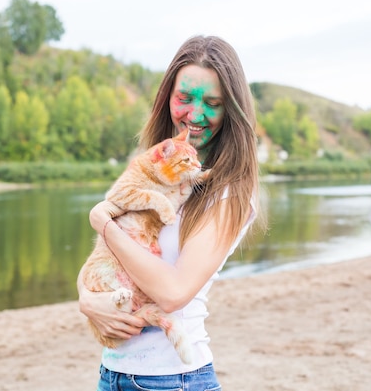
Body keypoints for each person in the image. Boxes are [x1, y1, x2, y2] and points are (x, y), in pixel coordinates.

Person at [77, 35, 262, 390]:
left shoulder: (229, 192)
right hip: (112, 375)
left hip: (174, 380)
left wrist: (105, 224)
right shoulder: (155, 171)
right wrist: (87, 301)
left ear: (231, 110)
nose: (195, 114)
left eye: (212, 102)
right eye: (184, 98)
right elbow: (104, 261)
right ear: (167, 99)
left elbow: (174, 292)